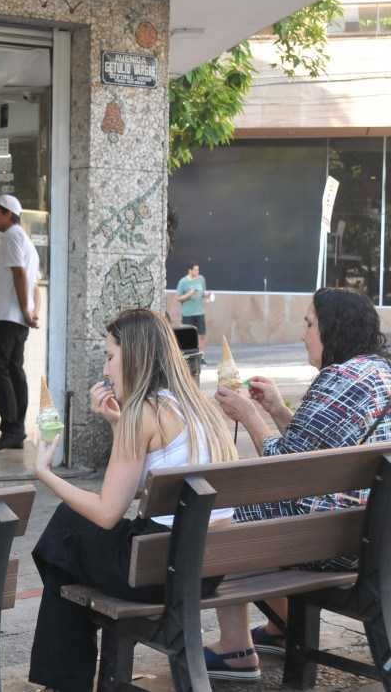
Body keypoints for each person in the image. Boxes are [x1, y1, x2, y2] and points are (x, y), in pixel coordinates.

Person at [29, 309, 239, 691]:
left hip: (161, 572)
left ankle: (64, 681)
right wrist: (116, 425)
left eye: (110, 357)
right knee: (68, 544)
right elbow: (147, 490)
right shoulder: (197, 407)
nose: (106, 371)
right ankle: (63, 680)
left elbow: (108, 513)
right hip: (207, 570)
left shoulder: (143, 412)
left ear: (136, 355)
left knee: (65, 530)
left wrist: (44, 472)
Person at [206, 288, 391, 681]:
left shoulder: (339, 378)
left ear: (332, 328)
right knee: (267, 518)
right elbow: (322, 452)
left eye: (309, 323)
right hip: (374, 537)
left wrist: (249, 413)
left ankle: (235, 646)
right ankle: (281, 627)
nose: (304, 333)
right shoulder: (378, 373)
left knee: (220, 515)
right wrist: (277, 409)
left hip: (333, 545)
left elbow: (285, 470)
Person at [0, 194, 42, 452]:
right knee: (14, 371)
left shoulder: (11, 237)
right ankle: (15, 430)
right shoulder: (26, 241)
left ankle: (12, 428)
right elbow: (35, 285)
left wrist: (25, 311)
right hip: (17, 317)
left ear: (8, 214)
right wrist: (31, 312)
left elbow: (20, 274)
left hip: (7, 317)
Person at [176, 263, 208, 352]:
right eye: (195, 270)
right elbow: (178, 298)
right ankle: (187, 355)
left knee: (202, 335)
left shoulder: (201, 279)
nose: (197, 272)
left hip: (200, 312)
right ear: (190, 270)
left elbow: (203, 293)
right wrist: (189, 294)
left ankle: (202, 357)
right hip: (187, 314)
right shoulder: (183, 282)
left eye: (198, 270)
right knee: (187, 335)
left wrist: (207, 295)